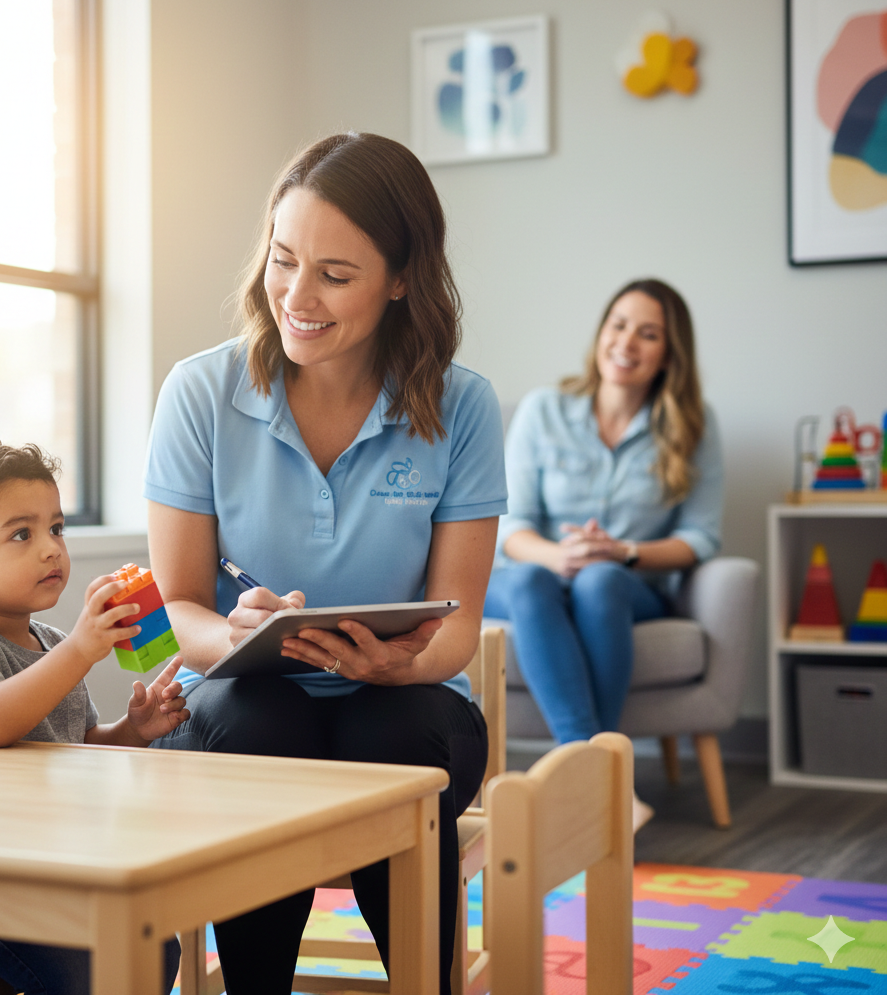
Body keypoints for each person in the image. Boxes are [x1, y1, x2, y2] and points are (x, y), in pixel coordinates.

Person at [144, 132, 507, 995]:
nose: (296, 297)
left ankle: (429, 988)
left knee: (397, 744)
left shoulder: (464, 406)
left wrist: (403, 662)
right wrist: (231, 634)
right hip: (242, 704)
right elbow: (178, 611)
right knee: (260, 731)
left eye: (335, 275)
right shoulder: (199, 394)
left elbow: (457, 619)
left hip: (410, 704)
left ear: (402, 276)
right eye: (282, 259)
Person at [0, 437, 188, 995]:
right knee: (91, 970)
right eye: (21, 534)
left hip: (47, 871)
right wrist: (79, 650)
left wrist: (134, 730)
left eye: (56, 528)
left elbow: (75, 747)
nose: (52, 549)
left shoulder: (51, 643)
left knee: (154, 943)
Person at [484, 279, 722, 831]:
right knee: (528, 583)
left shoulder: (693, 427)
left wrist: (624, 552)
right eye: (618, 325)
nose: (627, 343)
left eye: (648, 333)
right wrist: (553, 556)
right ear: (600, 332)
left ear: (670, 352)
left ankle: (587, 780)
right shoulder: (545, 410)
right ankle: (601, 780)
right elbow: (508, 524)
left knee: (600, 582)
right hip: (533, 574)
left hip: (624, 586)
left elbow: (702, 538)